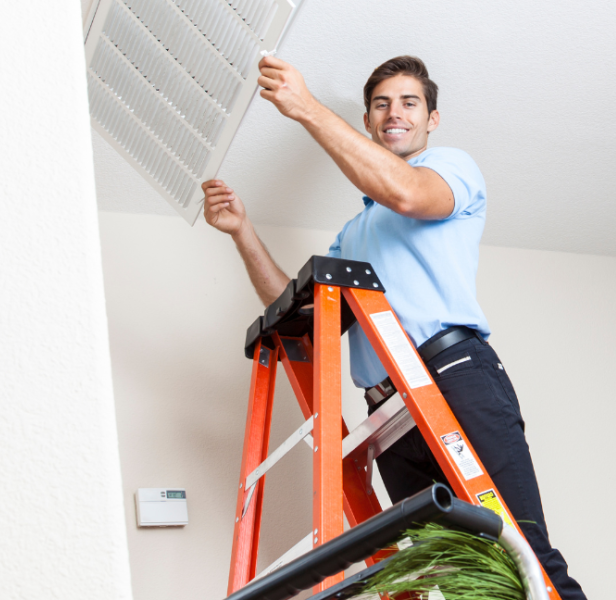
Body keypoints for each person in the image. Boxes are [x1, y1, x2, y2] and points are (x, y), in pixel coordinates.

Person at [202, 56, 586, 599]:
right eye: (382, 104)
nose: (394, 113)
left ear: (432, 119)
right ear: (367, 120)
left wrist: (307, 109)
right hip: (386, 413)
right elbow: (302, 318)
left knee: (523, 552)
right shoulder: (354, 232)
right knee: (461, 577)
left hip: (452, 376)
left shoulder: (452, 168)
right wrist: (241, 231)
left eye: (409, 102)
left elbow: (407, 193)